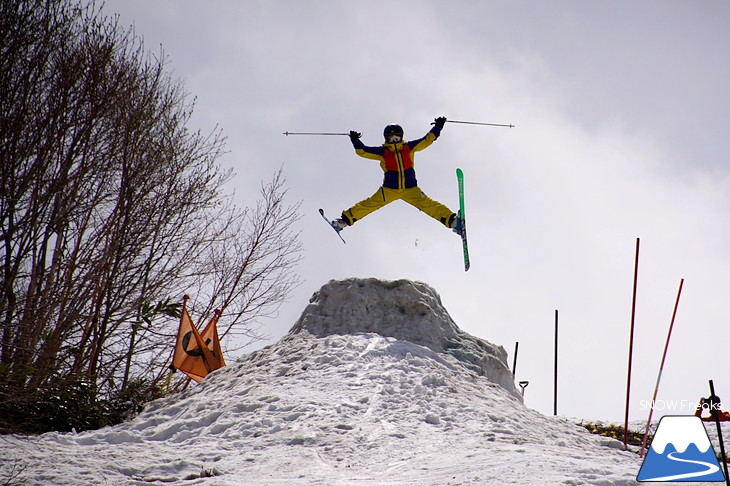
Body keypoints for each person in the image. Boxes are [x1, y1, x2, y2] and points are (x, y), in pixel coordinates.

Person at [329, 117, 462, 234]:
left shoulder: (409, 147)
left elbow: (427, 140)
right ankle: (343, 221)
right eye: (391, 138)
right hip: (389, 190)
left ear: (401, 137)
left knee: (429, 205)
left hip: (410, 189)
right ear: (386, 139)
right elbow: (363, 151)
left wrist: (438, 126)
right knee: (368, 205)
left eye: (396, 138)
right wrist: (355, 140)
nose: (394, 140)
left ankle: (453, 222)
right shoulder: (383, 152)